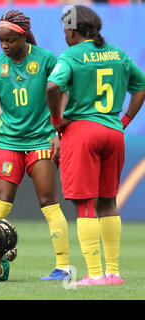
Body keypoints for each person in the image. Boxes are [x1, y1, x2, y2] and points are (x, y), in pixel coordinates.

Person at [46, 5, 145, 286]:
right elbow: (141, 86)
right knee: (109, 202)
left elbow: (53, 87)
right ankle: (112, 273)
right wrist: (124, 120)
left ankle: (94, 274)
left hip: (82, 132)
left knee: (86, 205)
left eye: (65, 29)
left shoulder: (71, 55)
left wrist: (56, 120)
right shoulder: (118, 54)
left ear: (71, 30)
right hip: (113, 131)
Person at [0, 10, 70, 281]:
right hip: (9, 142)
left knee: (48, 201)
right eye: (0, 41)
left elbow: (63, 93)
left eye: (9, 41)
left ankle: (63, 267)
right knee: (0, 204)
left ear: (23, 36)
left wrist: (59, 129)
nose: (4, 46)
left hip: (41, 139)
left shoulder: (46, 59)